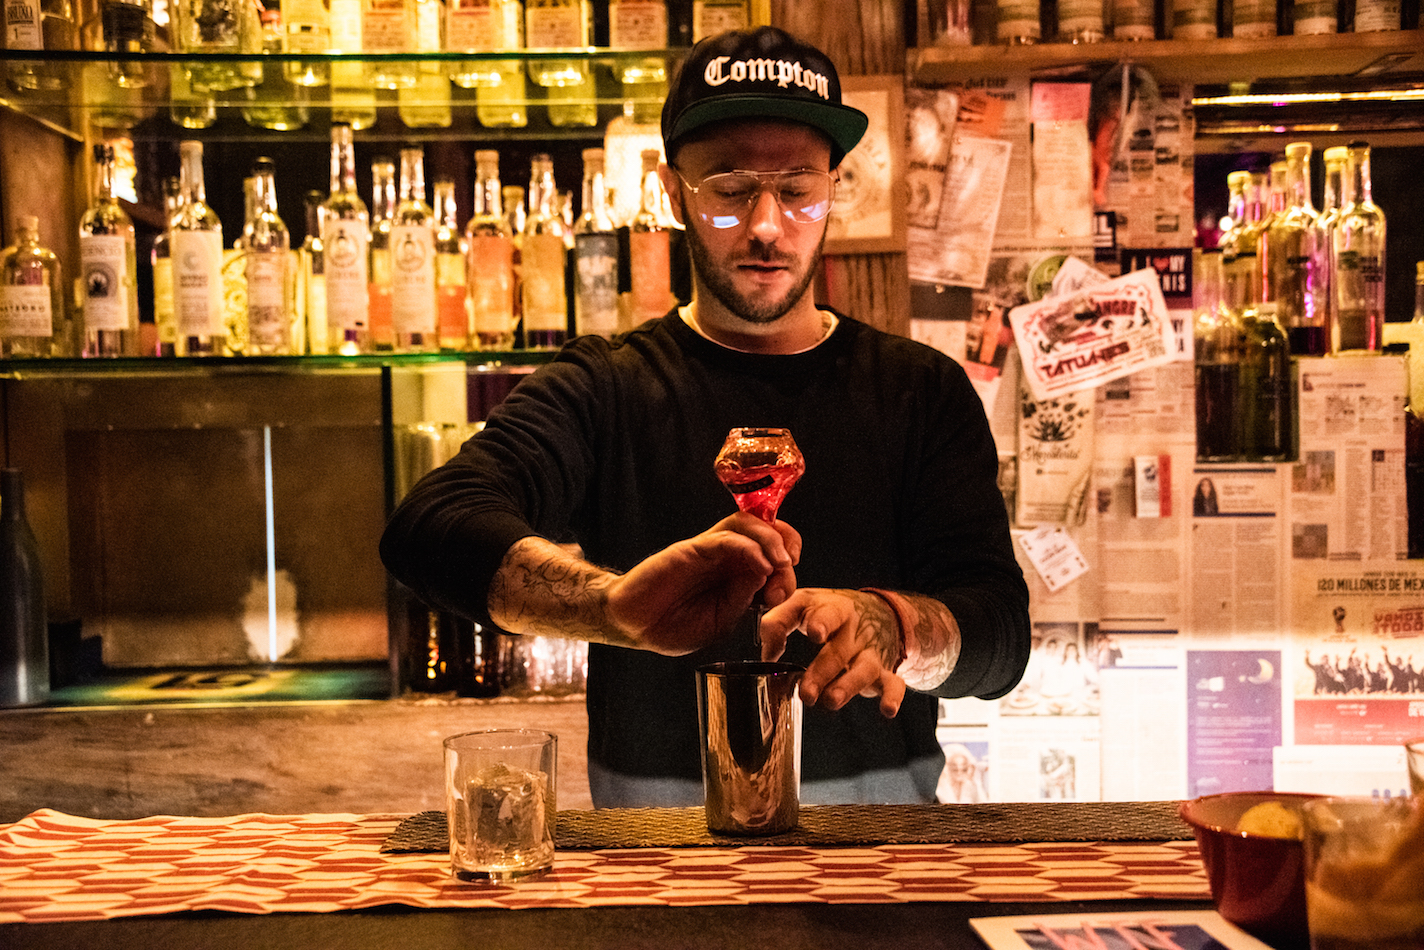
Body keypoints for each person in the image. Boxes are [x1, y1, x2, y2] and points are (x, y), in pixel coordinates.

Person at [379, 26, 1031, 807]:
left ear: (834, 190)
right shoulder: (604, 387)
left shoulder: (918, 391)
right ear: (673, 191)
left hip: (879, 851)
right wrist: (613, 610)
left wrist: (891, 624)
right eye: (728, 188)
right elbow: (428, 527)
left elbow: (1000, 637)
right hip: (655, 854)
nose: (764, 225)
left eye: (798, 190)